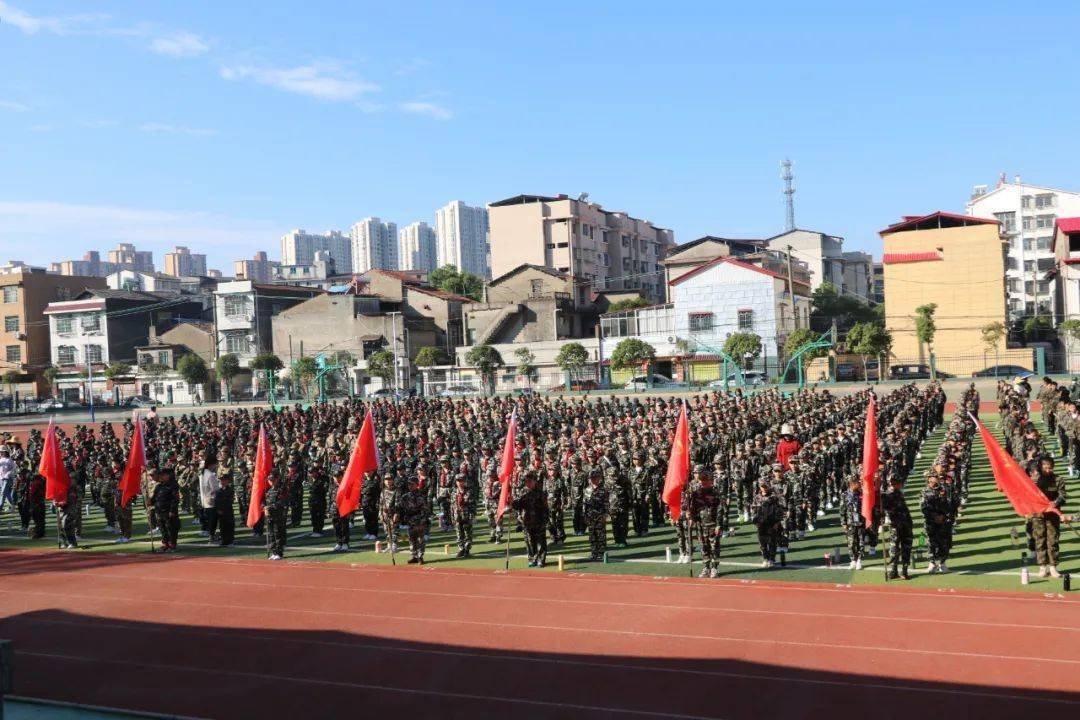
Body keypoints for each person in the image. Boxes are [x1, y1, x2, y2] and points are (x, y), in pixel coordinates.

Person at [1030, 455, 1066, 578]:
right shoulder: (1033, 480)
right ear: (1040, 467)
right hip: (1038, 515)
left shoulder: (1058, 479)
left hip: (1053, 515)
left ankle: (1053, 567)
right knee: (1040, 540)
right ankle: (1042, 566)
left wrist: (1055, 503)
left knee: (1053, 540)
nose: (1047, 470)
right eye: (1045, 467)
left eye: (1050, 467)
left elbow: (1062, 496)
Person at [688, 466, 723, 578]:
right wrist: (691, 517)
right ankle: (706, 567)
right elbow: (692, 508)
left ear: (711, 480)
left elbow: (720, 509)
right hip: (700, 525)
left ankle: (714, 568)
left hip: (713, 524)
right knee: (704, 547)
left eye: (706, 479)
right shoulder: (696, 493)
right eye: (702, 479)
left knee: (714, 547)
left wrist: (719, 524)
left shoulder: (716, 493)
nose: (704, 481)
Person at [512, 470, 549, 567]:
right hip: (526, 522)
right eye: (526, 481)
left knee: (541, 542)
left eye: (529, 481)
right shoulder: (522, 492)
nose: (527, 483)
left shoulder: (541, 492)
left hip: (539, 521)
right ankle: (532, 559)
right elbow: (518, 506)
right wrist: (511, 502)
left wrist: (546, 521)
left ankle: (541, 559)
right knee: (529, 542)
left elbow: (545, 508)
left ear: (534, 481)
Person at [880, 474, 913, 580]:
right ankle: (893, 570)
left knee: (906, 548)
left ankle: (904, 570)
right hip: (896, 526)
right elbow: (882, 508)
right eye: (898, 483)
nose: (900, 485)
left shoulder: (899, 493)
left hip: (906, 524)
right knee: (894, 549)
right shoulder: (887, 495)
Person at [399, 474, 431, 564]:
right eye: (409, 484)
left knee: (420, 539)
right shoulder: (405, 496)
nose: (410, 486)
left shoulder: (421, 495)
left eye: (412, 484)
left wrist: (422, 522)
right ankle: (414, 556)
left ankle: (420, 556)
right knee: (412, 539)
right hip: (410, 521)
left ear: (417, 484)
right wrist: (393, 512)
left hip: (419, 520)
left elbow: (425, 510)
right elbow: (399, 507)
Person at [151, 467, 180, 551]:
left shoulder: (173, 485)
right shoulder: (159, 486)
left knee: (171, 528)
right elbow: (154, 498)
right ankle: (165, 543)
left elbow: (175, 499)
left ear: (168, 475)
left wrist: (172, 511)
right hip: (159, 512)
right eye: (161, 475)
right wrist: (150, 501)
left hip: (168, 512)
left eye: (163, 475)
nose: (161, 477)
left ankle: (172, 544)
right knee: (162, 528)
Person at [583, 468, 608, 561]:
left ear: (599, 478)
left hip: (600, 515)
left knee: (601, 535)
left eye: (594, 478)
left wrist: (605, 514)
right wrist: (584, 515)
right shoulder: (587, 490)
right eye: (591, 478)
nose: (592, 480)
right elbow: (584, 503)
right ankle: (594, 553)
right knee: (592, 535)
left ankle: (601, 553)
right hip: (590, 516)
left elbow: (606, 503)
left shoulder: (603, 490)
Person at [263, 468, 288, 560]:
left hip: (278, 515)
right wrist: (264, 507)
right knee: (271, 535)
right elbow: (264, 501)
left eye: (273, 480)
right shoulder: (268, 491)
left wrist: (269, 507)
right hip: (270, 516)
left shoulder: (281, 489)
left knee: (278, 534)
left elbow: (282, 502)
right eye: (270, 480)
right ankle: (273, 552)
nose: (271, 482)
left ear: (277, 479)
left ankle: (279, 552)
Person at [841, 477, 865, 570]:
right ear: (852, 484)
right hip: (850, 522)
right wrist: (843, 522)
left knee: (861, 542)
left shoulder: (861, 494)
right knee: (851, 542)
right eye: (857, 483)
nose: (859, 485)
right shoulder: (845, 495)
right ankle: (853, 560)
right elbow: (842, 509)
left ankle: (859, 560)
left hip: (860, 522)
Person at [451, 473, 476, 558]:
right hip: (457, 515)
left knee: (468, 533)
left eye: (461, 480)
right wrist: (452, 517)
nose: (460, 482)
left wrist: (472, 515)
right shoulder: (454, 491)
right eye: (458, 481)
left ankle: (467, 549)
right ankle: (461, 549)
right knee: (459, 533)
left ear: (465, 481)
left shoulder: (469, 491)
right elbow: (452, 505)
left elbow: (472, 504)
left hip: (466, 515)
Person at [199, 456, 220, 541]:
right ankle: (212, 535)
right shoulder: (210, 475)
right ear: (211, 464)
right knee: (213, 519)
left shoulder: (202, 474)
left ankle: (211, 534)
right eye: (215, 464)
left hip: (205, 499)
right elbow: (215, 489)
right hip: (211, 499)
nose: (216, 466)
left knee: (209, 518)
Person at [215, 473, 235, 547]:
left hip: (228, 511)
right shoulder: (218, 491)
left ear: (227, 481)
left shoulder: (230, 490)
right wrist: (218, 509)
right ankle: (224, 540)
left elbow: (229, 500)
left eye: (224, 480)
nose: (222, 482)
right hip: (221, 512)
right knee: (222, 526)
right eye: (221, 480)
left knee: (229, 525)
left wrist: (222, 507)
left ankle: (230, 540)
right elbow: (216, 501)